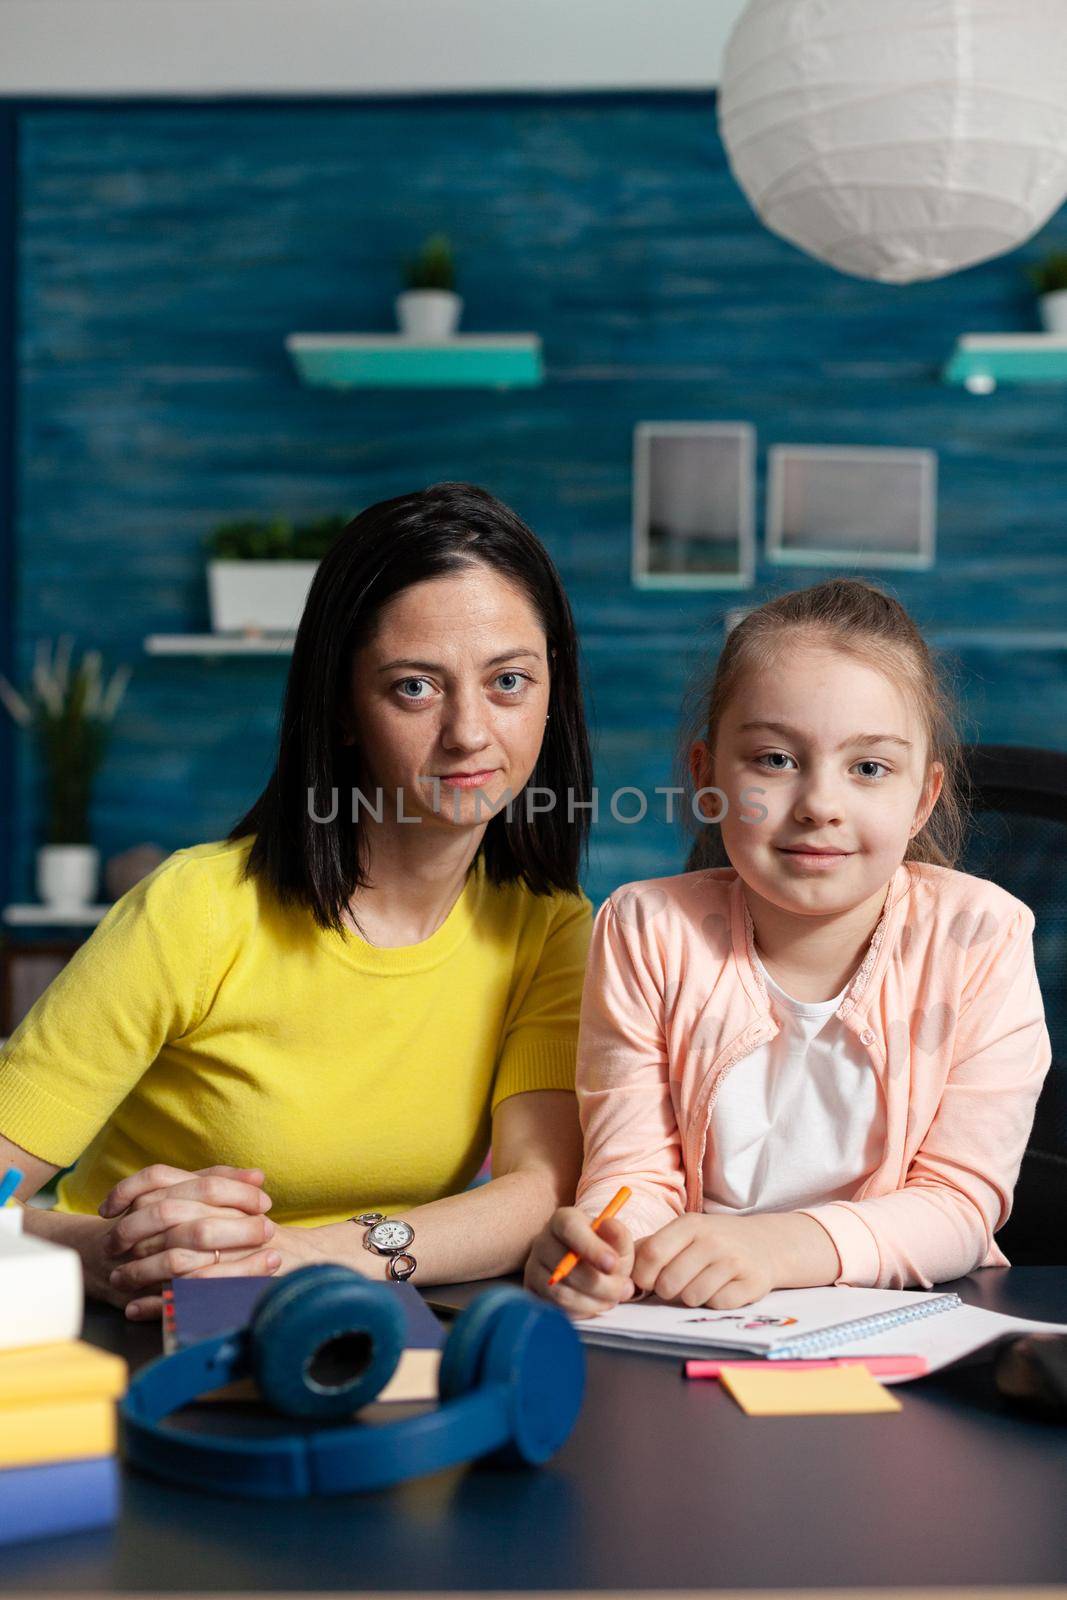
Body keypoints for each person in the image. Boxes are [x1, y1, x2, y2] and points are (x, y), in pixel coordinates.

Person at [0, 482, 594, 1319]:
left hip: (348, 1324)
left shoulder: (549, 924)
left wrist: (297, 1256)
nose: (469, 732)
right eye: (414, 688)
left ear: (549, 691)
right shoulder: (196, 909)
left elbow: (536, 1193)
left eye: (507, 681)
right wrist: (97, 1251)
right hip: (128, 1325)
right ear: (344, 708)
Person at [526, 578, 1052, 1317]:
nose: (818, 806)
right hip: (697, 1320)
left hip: (906, 1327)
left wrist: (777, 1247)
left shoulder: (980, 937)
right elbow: (634, 1177)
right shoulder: (644, 929)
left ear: (922, 798)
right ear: (706, 780)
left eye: (868, 768)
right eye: (775, 760)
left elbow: (959, 1204)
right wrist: (606, 1247)